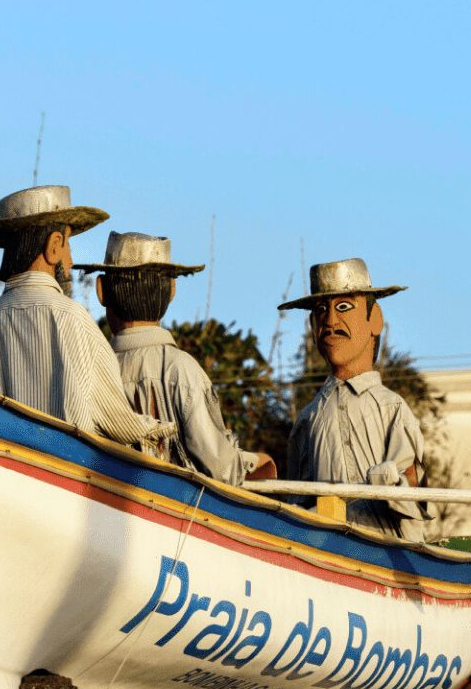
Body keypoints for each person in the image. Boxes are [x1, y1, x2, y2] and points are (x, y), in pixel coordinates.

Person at [0, 185, 169, 450]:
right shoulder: (72, 317)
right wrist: (158, 428)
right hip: (67, 468)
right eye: (67, 244)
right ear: (53, 245)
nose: (70, 261)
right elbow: (117, 422)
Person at [91, 231, 275, 485]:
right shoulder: (181, 369)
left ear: (101, 291)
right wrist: (255, 462)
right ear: (171, 290)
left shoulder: (91, 368)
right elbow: (221, 469)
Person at [279, 258, 429, 541]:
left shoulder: (391, 408)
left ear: (375, 319)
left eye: (344, 307)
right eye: (320, 311)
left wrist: (392, 485)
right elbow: (297, 503)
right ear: (312, 325)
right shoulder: (308, 419)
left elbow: (413, 505)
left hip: (384, 553)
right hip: (325, 551)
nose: (330, 321)